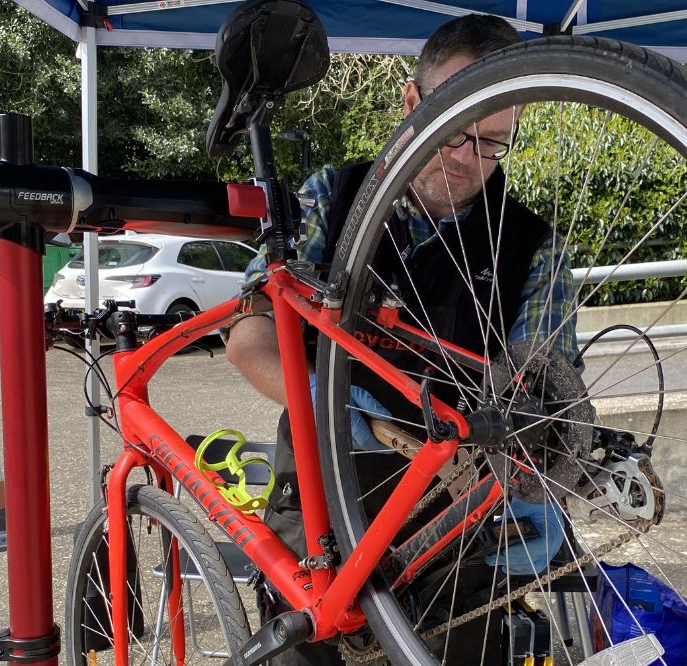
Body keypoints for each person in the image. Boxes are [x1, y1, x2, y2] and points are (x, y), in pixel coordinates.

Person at [225, 13, 580, 664]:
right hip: (319, 508)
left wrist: (540, 479)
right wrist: (334, 409)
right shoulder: (330, 199)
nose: (467, 158)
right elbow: (249, 338)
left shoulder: (535, 251)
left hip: (455, 528)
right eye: (454, 131)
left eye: (493, 142)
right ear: (413, 101)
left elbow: (549, 400)